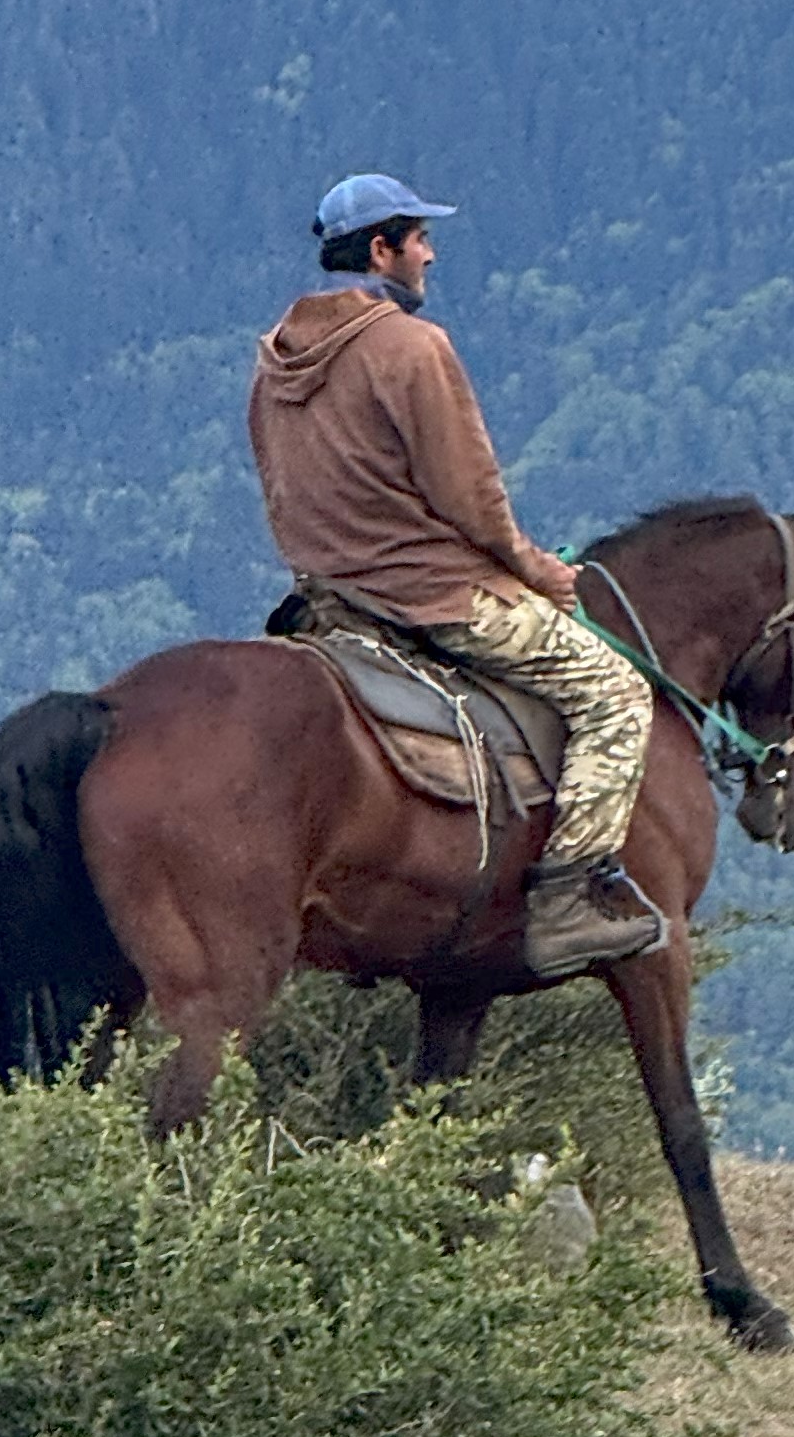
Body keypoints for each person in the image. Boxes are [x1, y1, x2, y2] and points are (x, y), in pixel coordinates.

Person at [248, 171, 666, 977]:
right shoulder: (413, 348)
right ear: (381, 250)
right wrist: (539, 572)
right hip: (435, 598)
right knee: (616, 693)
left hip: (330, 601)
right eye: (420, 239)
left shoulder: (275, 360)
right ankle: (568, 899)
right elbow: (471, 495)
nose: (430, 255)